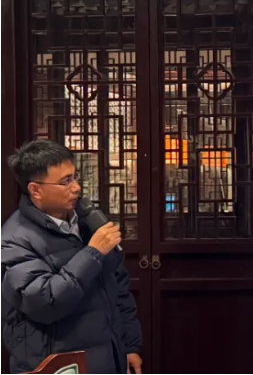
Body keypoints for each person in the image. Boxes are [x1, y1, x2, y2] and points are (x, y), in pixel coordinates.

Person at [1, 140, 142, 374]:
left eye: (75, 177)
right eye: (65, 182)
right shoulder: (14, 239)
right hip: (58, 364)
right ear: (36, 190)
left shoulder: (87, 219)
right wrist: (92, 253)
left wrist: (128, 347)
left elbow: (118, 287)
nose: (76, 187)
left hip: (108, 358)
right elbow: (45, 303)